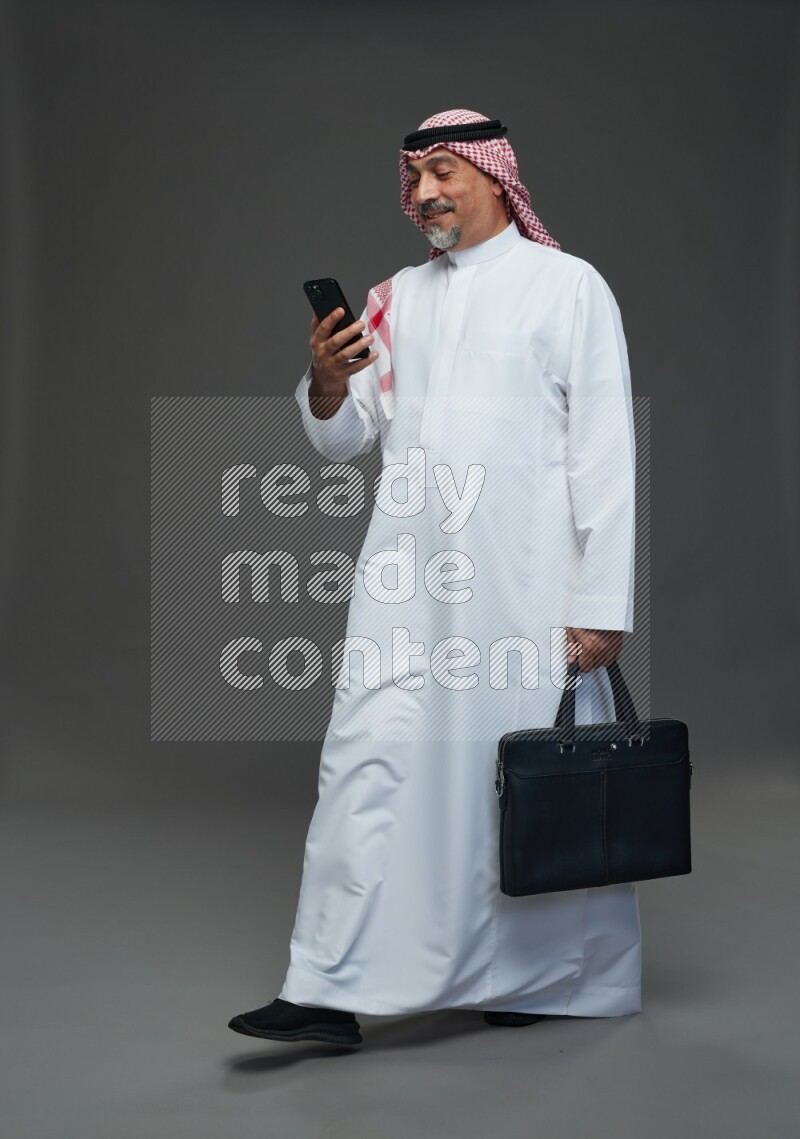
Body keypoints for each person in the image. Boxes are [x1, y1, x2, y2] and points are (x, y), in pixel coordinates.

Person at [229, 109, 638, 1048]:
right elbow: (342, 439)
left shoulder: (568, 287)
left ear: (499, 177)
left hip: (527, 585)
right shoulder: (396, 297)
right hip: (407, 577)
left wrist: (601, 603)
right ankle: (326, 986)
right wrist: (327, 381)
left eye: (443, 173)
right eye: (413, 179)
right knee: (366, 759)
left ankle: (541, 978)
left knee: (522, 778)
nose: (424, 196)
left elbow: (605, 453)